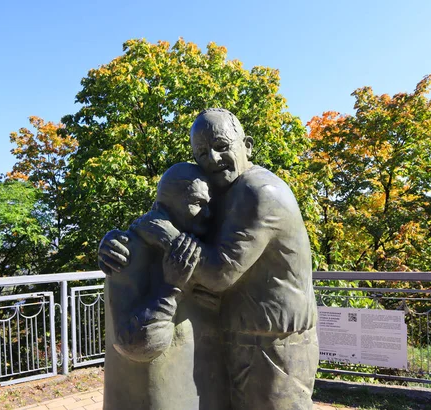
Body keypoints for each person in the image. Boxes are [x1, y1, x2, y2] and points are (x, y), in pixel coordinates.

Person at [101, 109, 319, 410]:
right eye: (202, 152)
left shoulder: (259, 192)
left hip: (274, 344)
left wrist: (165, 235)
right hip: (237, 339)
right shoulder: (223, 193)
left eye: (221, 146)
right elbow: (173, 209)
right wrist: (118, 243)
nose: (213, 159)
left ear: (248, 146)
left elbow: (219, 273)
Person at [102, 162, 229, 410]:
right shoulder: (129, 251)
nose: (208, 214)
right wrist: (171, 288)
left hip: (205, 386)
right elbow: (135, 343)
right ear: (163, 206)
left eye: (209, 204)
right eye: (197, 203)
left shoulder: (209, 245)